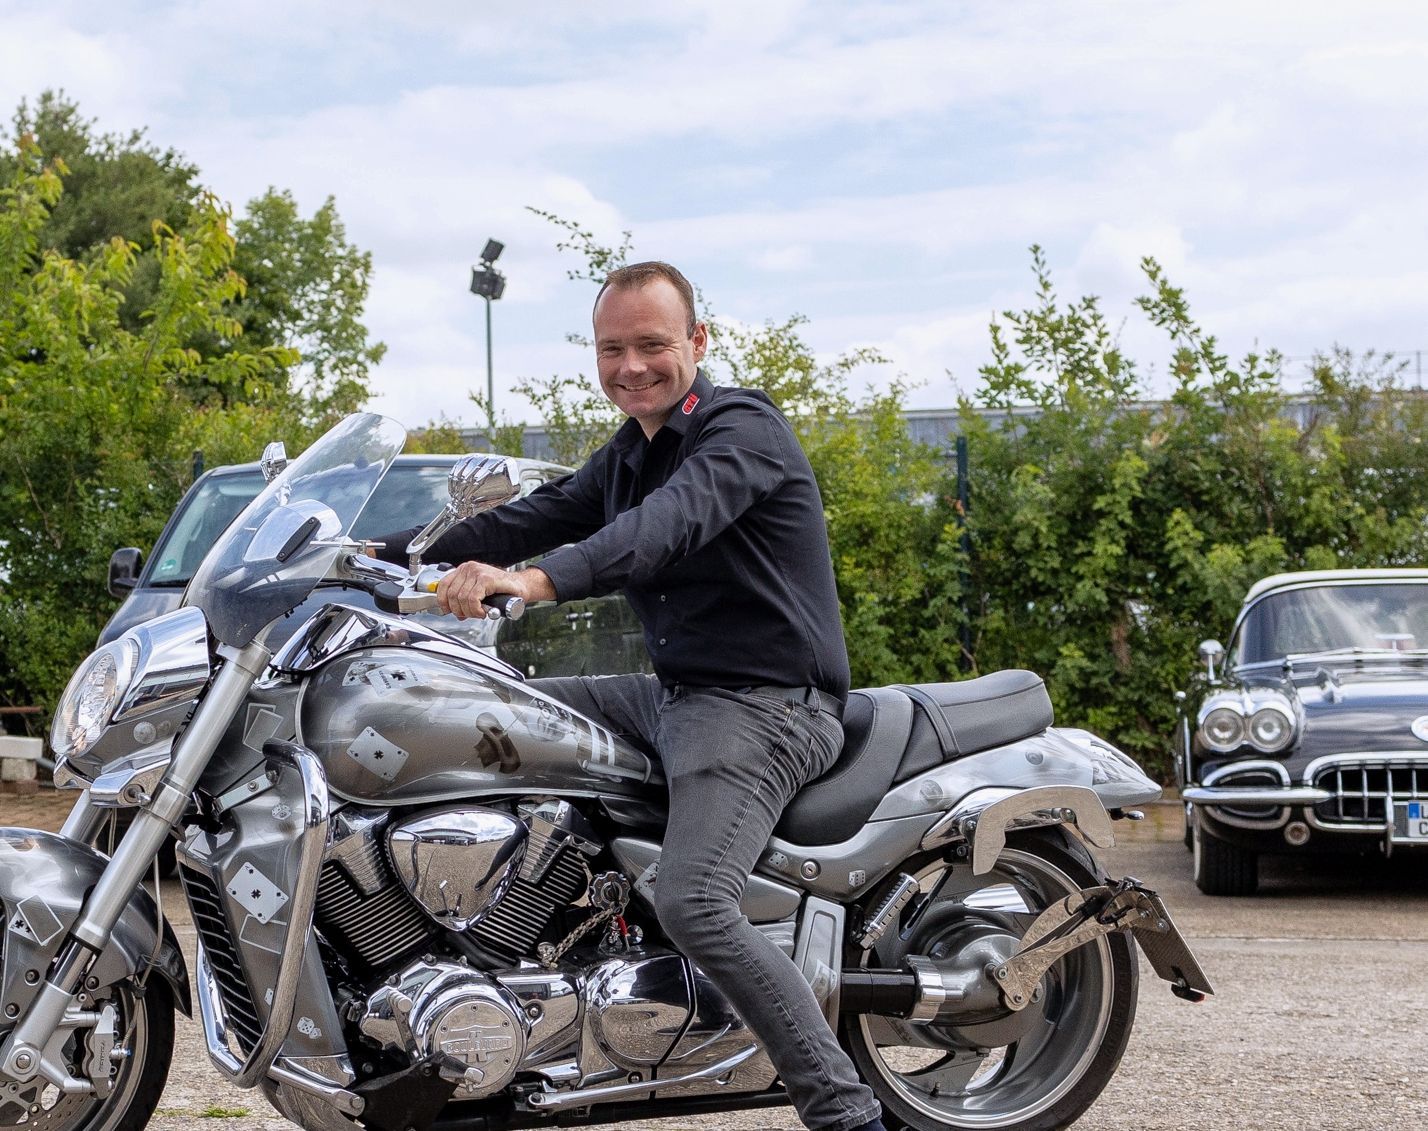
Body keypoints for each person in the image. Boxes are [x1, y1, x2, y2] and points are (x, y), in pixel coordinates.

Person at [377, 262, 885, 1131]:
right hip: (674, 693)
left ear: (697, 342)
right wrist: (376, 557)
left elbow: (659, 530)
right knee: (476, 712)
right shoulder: (629, 451)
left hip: (766, 704)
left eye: (652, 344)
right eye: (613, 348)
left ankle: (845, 1112)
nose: (631, 366)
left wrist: (532, 583)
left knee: (695, 898)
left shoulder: (742, 430)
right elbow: (533, 515)